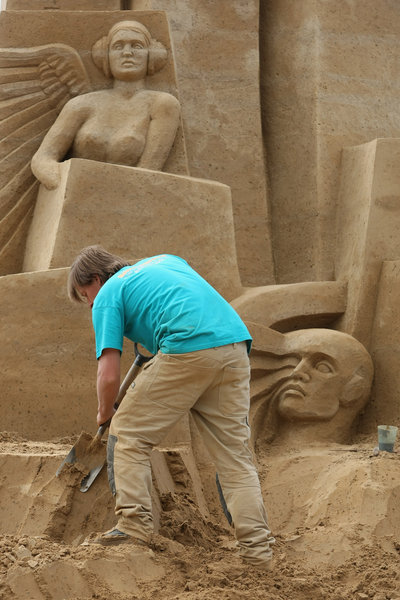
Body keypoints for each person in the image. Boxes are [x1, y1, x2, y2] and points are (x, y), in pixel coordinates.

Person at [67, 246, 275, 569]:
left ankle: (134, 528)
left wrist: (105, 413)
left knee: (128, 433)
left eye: (85, 295)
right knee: (235, 458)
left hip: (187, 345)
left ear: (96, 278)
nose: (90, 303)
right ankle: (258, 554)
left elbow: (108, 375)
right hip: (234, 347)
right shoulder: (166, 261)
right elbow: (182, 302)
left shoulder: (108, 293)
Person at [31, 20, 181, 190]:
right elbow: (43, 158)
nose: (127, 53)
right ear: (106, 57)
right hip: (75, 197)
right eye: (118, 46)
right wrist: (61, 184)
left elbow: (148, 171)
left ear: (151, 56)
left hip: (128, 200)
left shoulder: (162, 104)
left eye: (137, 46)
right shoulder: (81, 105)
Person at [250, 328, 374, 448]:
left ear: (354, 389)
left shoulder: (358, 468)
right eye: (294, 362)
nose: (297, 372)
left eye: (322, 367)